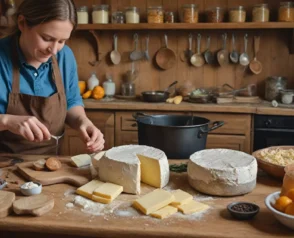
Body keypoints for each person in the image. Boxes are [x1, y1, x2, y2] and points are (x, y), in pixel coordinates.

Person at [0, 0, 105, 155]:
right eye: (47, 38)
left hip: (50, 165)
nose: (54, 50)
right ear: (22, 23)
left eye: (62, 41)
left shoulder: (65, 56)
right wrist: (7, 121)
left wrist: (83, 122)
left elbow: (71, 101)